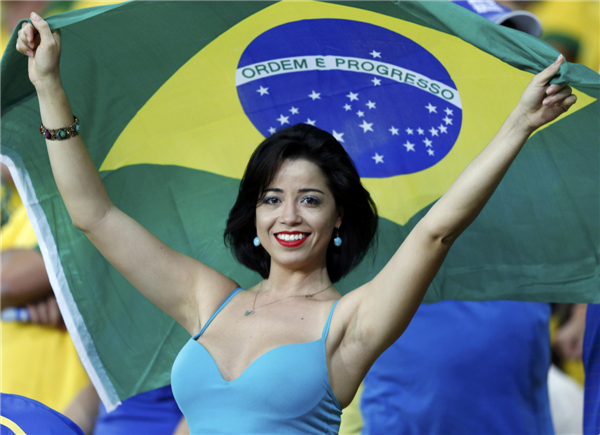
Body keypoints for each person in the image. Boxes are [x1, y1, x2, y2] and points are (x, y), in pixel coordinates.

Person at [15, 10, 577, 434]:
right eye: (271, 198)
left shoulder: (350, 324)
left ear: (338, 218)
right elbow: (95, 214)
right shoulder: (208, 299)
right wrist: (48, 87)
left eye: (310, 199)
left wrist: (517, 128)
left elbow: (437, 230)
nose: (288, 215)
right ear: (252, 216)